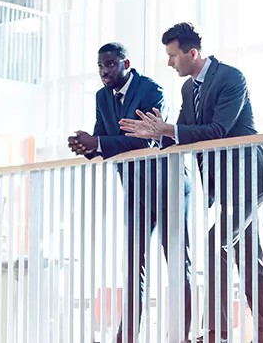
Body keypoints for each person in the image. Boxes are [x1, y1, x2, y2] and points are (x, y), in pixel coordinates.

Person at [120, 23, 263, 343]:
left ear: (192, 53)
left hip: (250, 177)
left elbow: (218, 130)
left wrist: (166, 130)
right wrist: (155, 136)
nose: (169, 62)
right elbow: (182, 133)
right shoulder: (187, 89)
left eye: (173, 55)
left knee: (216, 242)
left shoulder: (230, 78)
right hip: (226, 187)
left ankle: (215, 334)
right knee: (251, 259)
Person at [69, 42, 195, 343]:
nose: (104, 71)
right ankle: (126, 336)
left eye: (110, 64)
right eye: (100, 66)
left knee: (177, 263)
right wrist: (87, 146)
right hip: (135, 188)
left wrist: (100, 142)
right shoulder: (102, 97)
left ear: (126, 64)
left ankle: (181, 335)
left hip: (167, 185)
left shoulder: (150, 90)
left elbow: (146, 139)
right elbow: (105, 141)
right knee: (133, 264)